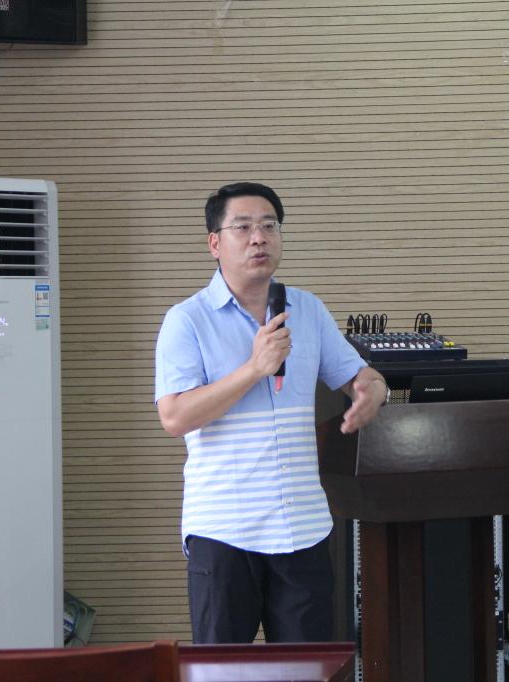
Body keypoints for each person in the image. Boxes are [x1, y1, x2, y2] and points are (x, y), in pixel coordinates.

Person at [154, 182, 389, 644]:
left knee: (309, 670)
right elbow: (175, 417)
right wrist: (254, 368)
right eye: (243, 227)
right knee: (223, 674)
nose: (259, 238)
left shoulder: (307, 309)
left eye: (269, 226)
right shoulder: (187, 320)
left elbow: (358, 375)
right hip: (223, 531)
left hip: (302, 527)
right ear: (215, 243)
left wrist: (373, 391)